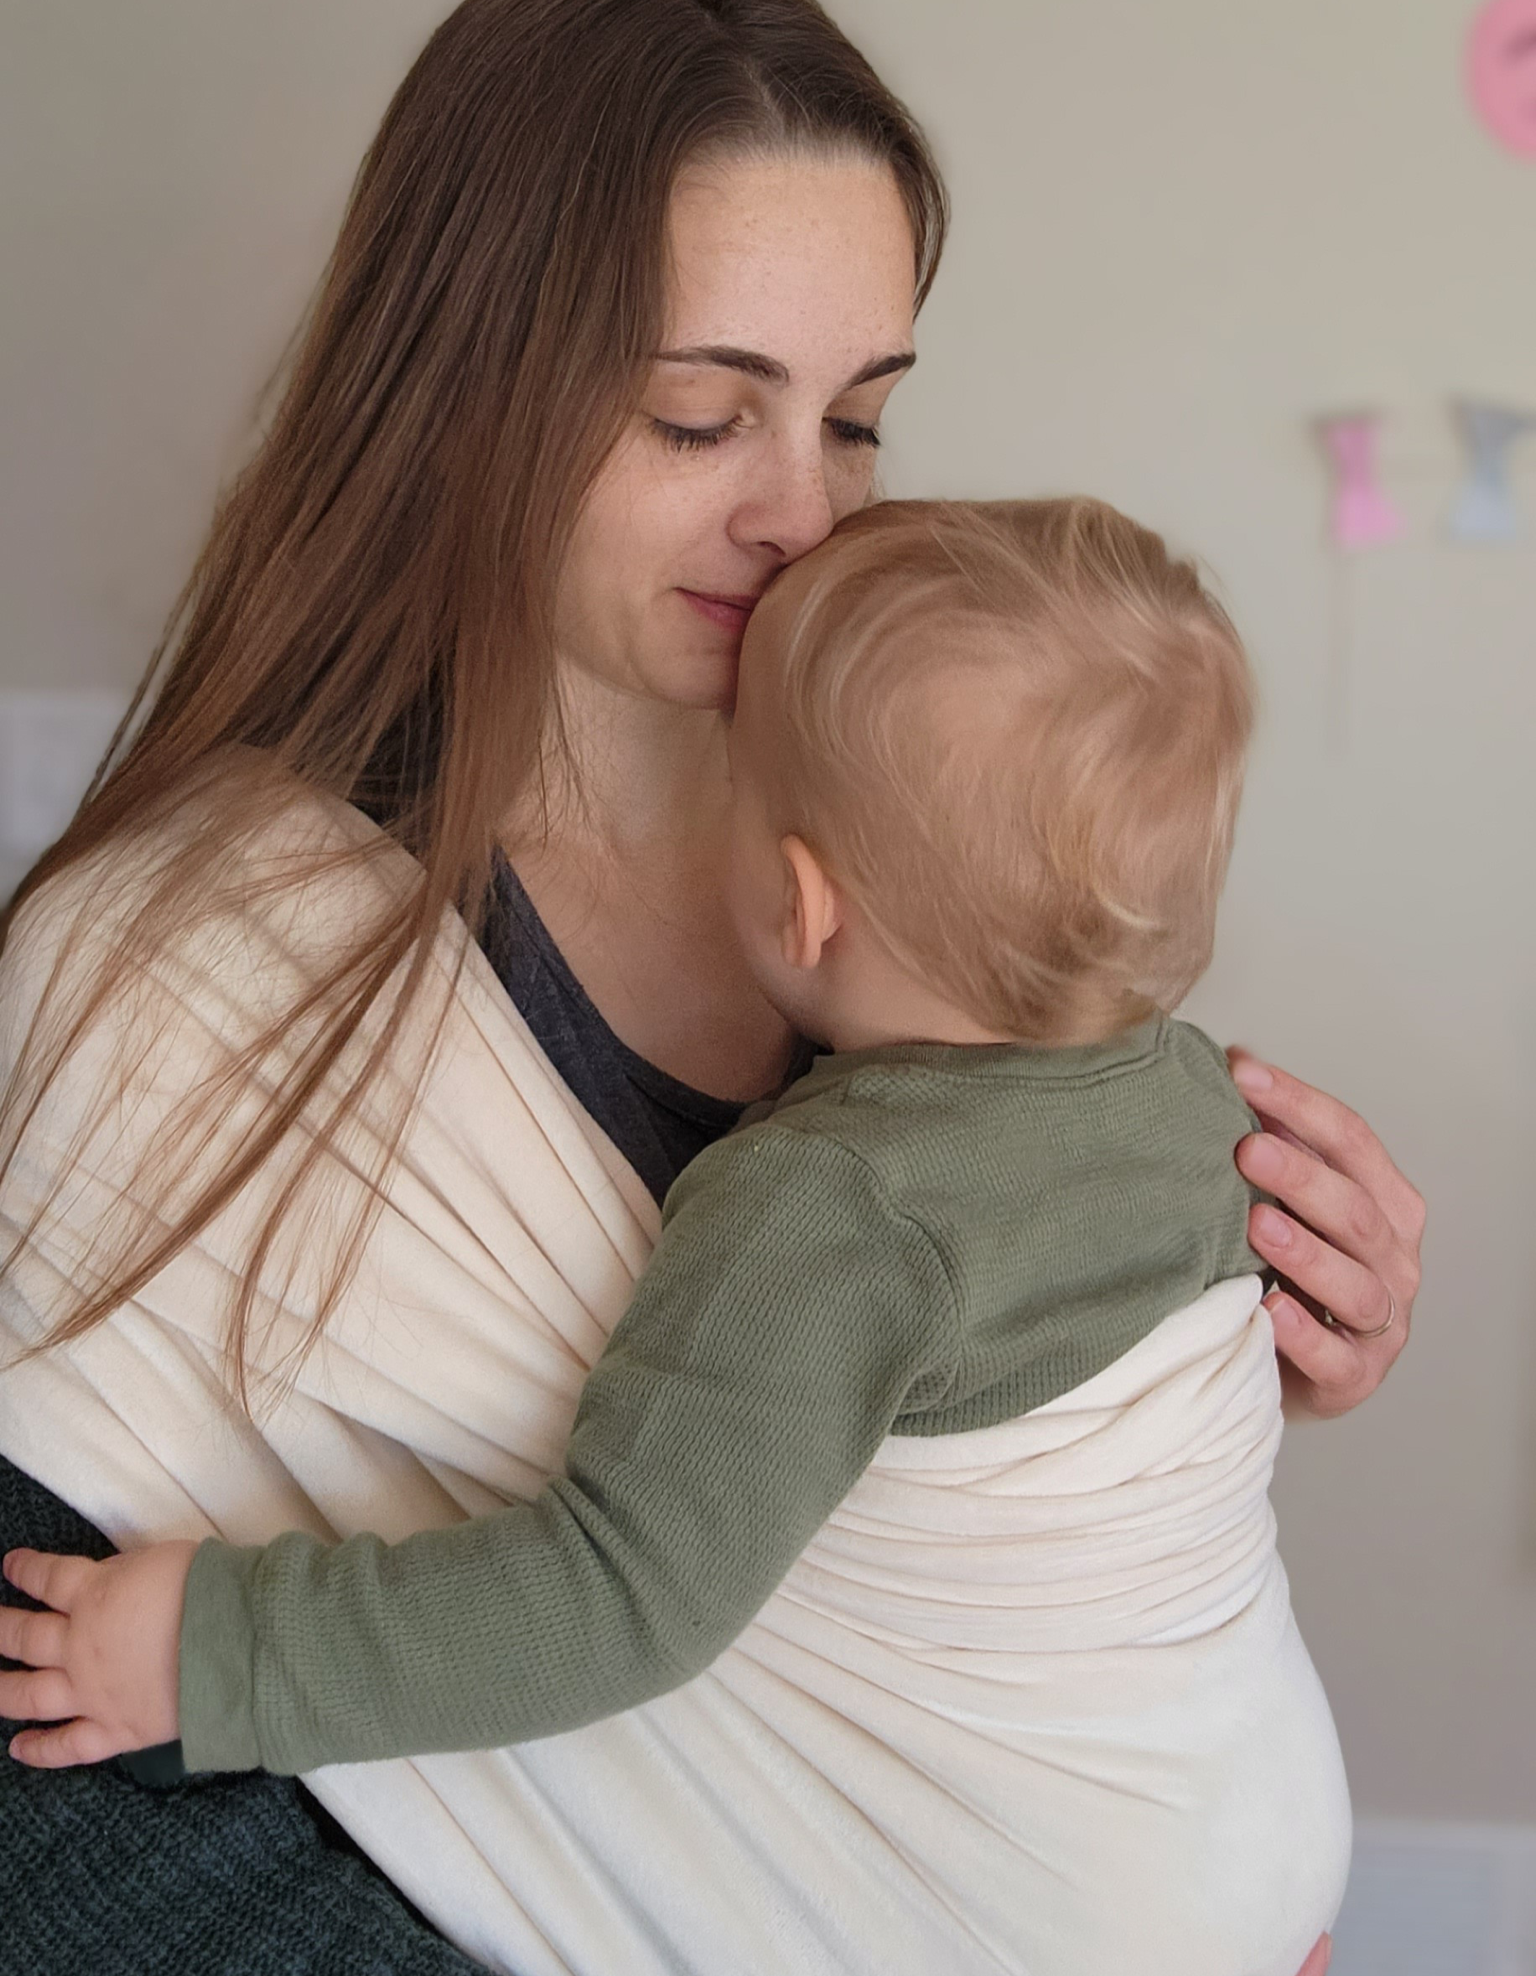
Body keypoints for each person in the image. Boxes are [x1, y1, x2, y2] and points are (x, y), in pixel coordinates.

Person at [0, 0, 1420, 1973]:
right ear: (468, 383)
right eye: (697, 416)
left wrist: (1256, 1319)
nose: (797, 514)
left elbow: (968, 1475)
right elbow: (66, 1798)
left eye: (856, 421)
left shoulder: (933, 848)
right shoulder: (179, 980)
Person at [2, 495, 1352, 1975]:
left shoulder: (831, 1210)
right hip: (1259, 1830)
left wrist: (218, 1656)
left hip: (1043, 1914)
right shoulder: (1198, 1102)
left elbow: (611, 1598)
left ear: (799, 898)